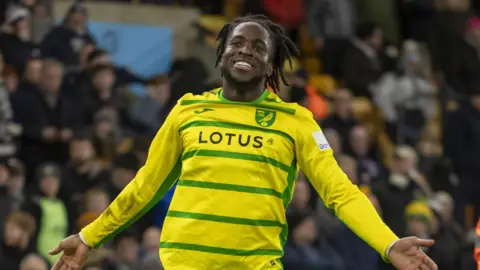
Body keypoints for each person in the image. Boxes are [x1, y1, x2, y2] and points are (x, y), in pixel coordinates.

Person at [49, 14, 438, 270]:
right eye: (237, 43)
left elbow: (341, 194)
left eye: (257, 47)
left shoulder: (296, 122)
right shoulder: (187, 111)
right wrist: (89, 236)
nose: (245, 51)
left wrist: (388, 244)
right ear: (222, 54)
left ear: (270, 65)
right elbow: (145, 186)